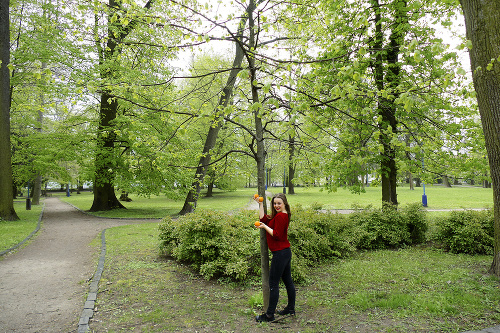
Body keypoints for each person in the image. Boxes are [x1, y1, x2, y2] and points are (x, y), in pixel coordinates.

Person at [254, 193, 296, 322]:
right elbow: (263, 219)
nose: (276, 205)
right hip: (284, 252)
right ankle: (290, 308)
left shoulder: (281, 217)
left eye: (279, 203)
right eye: (274, 203)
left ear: (284, 203)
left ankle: (269, 315)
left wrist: (264, 227)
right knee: (288, 281)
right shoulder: (280, 215)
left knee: (273, 283)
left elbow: (276, 235)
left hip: (280, 254)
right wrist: (260, 204)